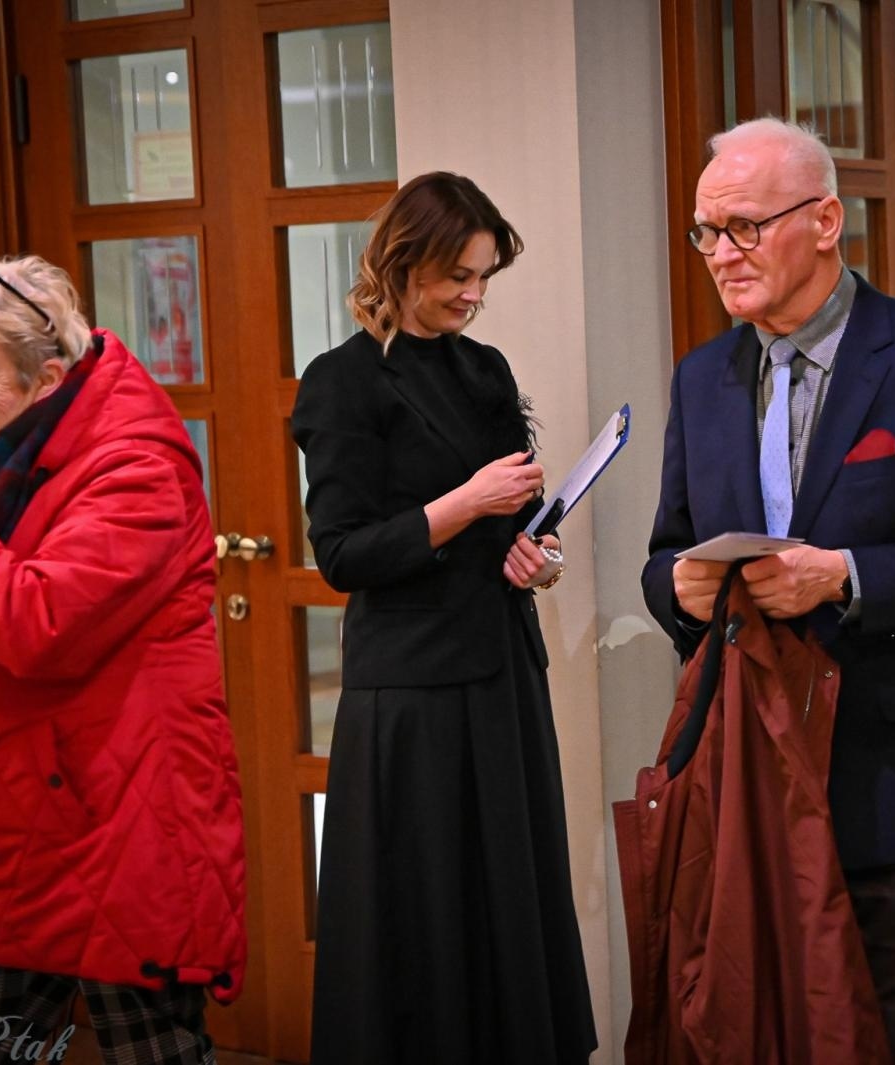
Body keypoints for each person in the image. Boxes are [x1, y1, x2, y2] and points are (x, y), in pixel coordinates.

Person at [642, 117, 895, 1064]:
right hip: (751, 784)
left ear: (824, 221)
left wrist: (846, 575)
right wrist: (683, 590)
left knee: (890, 1044)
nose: (719, 255)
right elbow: (664, 557)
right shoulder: (702, 378)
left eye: (743, 227)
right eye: (705, 232)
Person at [0, 256, 247, 1065]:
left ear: (48, 377)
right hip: (19, 830)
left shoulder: (133, 466)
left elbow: (39, 625)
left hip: (120, 832)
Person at [291, 171, 596, 1065]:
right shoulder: (342, 383)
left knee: (510, 902)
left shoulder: (484, 370)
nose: (472, 294)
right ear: (402, 261)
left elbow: (512, 527)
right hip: (412, 695)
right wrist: (463, 503)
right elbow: (344, 555)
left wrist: (536, 557)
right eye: (457, 274)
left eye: (484, 276)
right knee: (423, 920)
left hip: (503, 671)